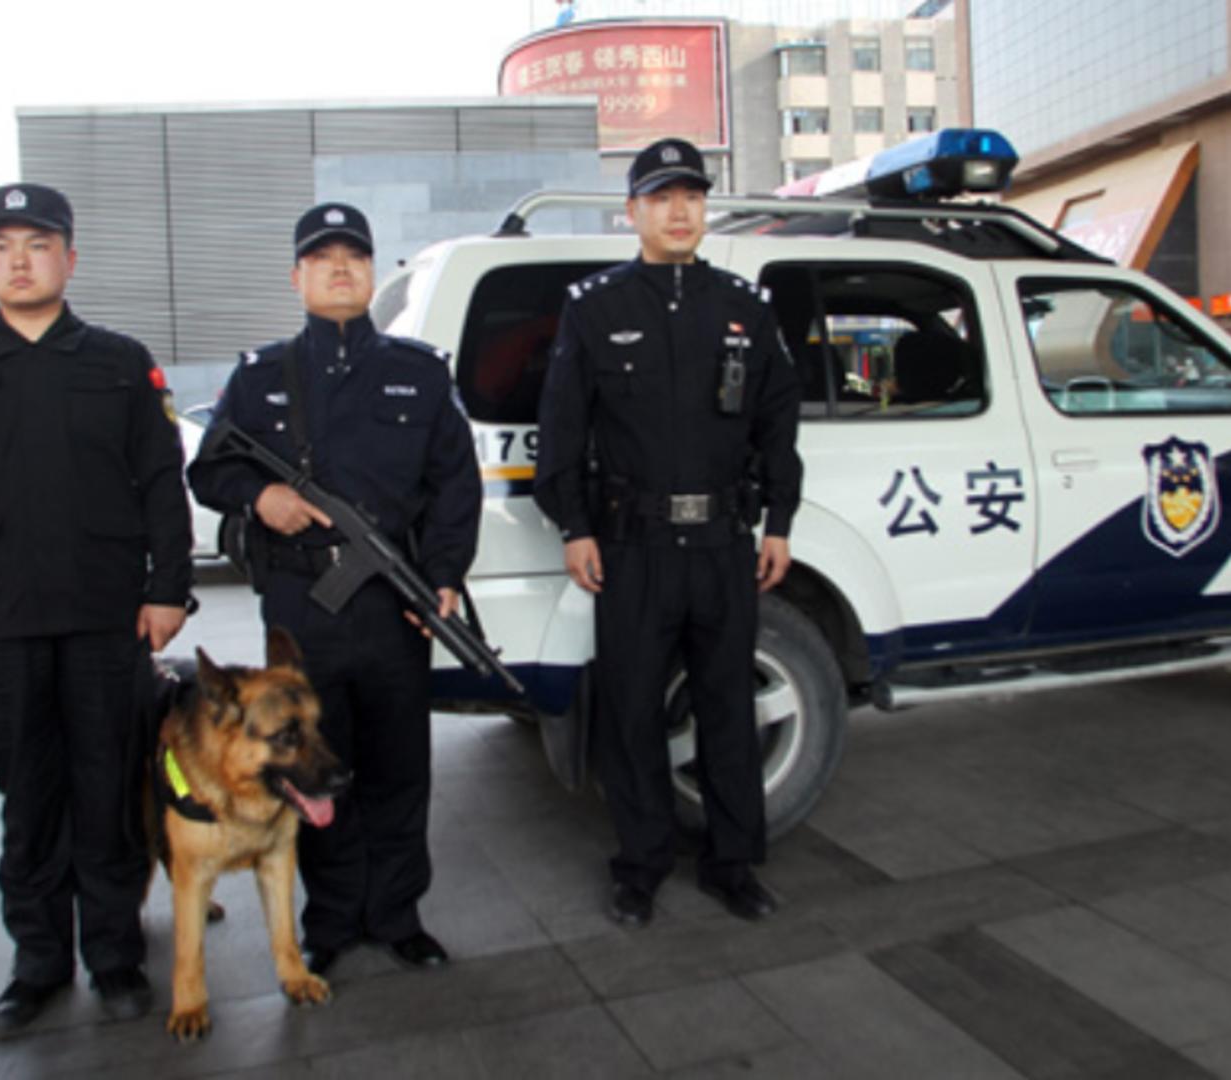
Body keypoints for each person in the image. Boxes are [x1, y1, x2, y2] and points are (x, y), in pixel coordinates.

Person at [0, 182, 192, 1037]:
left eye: (36, 245)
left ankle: (114, 956)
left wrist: (167, 589)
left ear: (69, 258)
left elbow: (160, 484)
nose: (18, 262)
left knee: (107, 789)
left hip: (106, 616)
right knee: (26, 796)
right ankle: (36, 964)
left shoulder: (119, 362)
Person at [188, 202, 479, 978]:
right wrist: (262, 498)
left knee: (398, 766)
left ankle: (399, 915)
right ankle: (333, 919)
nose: (340, 268)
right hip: (300, 612)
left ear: (373, 272)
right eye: (322, 258)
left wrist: (443, 575)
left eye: (354, 256)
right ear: (298, 277)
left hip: (393, 606)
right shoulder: (261, 377)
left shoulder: (420, 373)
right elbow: (209, 469)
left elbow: (455, 485)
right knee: (312, 769)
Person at [534, 137, 803, 927]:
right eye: (660, 198)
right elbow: (562, 427)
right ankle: (641, 865)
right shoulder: (596, 308)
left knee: (727, 706)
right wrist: (574, 526)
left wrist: (779, 520)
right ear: (633, 213)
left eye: (691, 196)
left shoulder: (744, 307)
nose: (679, 211)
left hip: (724, 546)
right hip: (632, 549)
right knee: (632, 711)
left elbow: (777, 421)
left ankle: (733, 864)